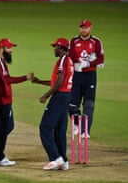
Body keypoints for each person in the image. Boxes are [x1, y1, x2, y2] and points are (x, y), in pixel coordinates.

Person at [0, 38, 34, 167]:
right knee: (5, 127)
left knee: (5, 127)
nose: (11, 51)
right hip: (3, 101)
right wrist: (25, 78)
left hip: (2, 101)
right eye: (9, 48)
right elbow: (7, 81)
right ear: (2, 49)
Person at [32, 37, 74, 171]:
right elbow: (56, 81)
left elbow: (59, 82)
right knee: (60, 130)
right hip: (66, 96)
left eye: (55, 47)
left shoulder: (62, 60)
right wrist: (40, 82)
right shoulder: (68, 60)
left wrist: (46, 95)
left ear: (61, 48)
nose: (54, 49)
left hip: (60, 96)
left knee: (45, 127)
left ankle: (56, 158)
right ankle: (63, 160)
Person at [68, 20, 105, 138]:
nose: (83, 30)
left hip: (90, 76)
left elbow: (101, 59)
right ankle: (77, 125)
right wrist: (76, 64)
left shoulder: (96, 42)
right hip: (76, 75)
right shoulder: (74, 41)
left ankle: (85, 131)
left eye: (86, 27)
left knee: (89, 104)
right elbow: (70, 56)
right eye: (82, 27)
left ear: (90, 28)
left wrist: (89, 63)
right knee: (72, 105)